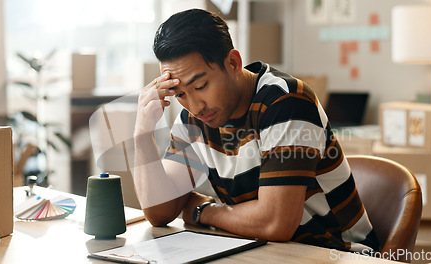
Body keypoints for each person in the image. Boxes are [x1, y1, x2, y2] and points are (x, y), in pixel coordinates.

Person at [133, 8, 379, 252]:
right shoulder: (194, 118)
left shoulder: (286, 101)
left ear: (233, 63)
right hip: (265, 251)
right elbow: (160, 212)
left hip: (339, 253)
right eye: (180, 94)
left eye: (201, 85)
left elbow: (275, 223)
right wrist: (142, 134)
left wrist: (202, 210)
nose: (195, 105)